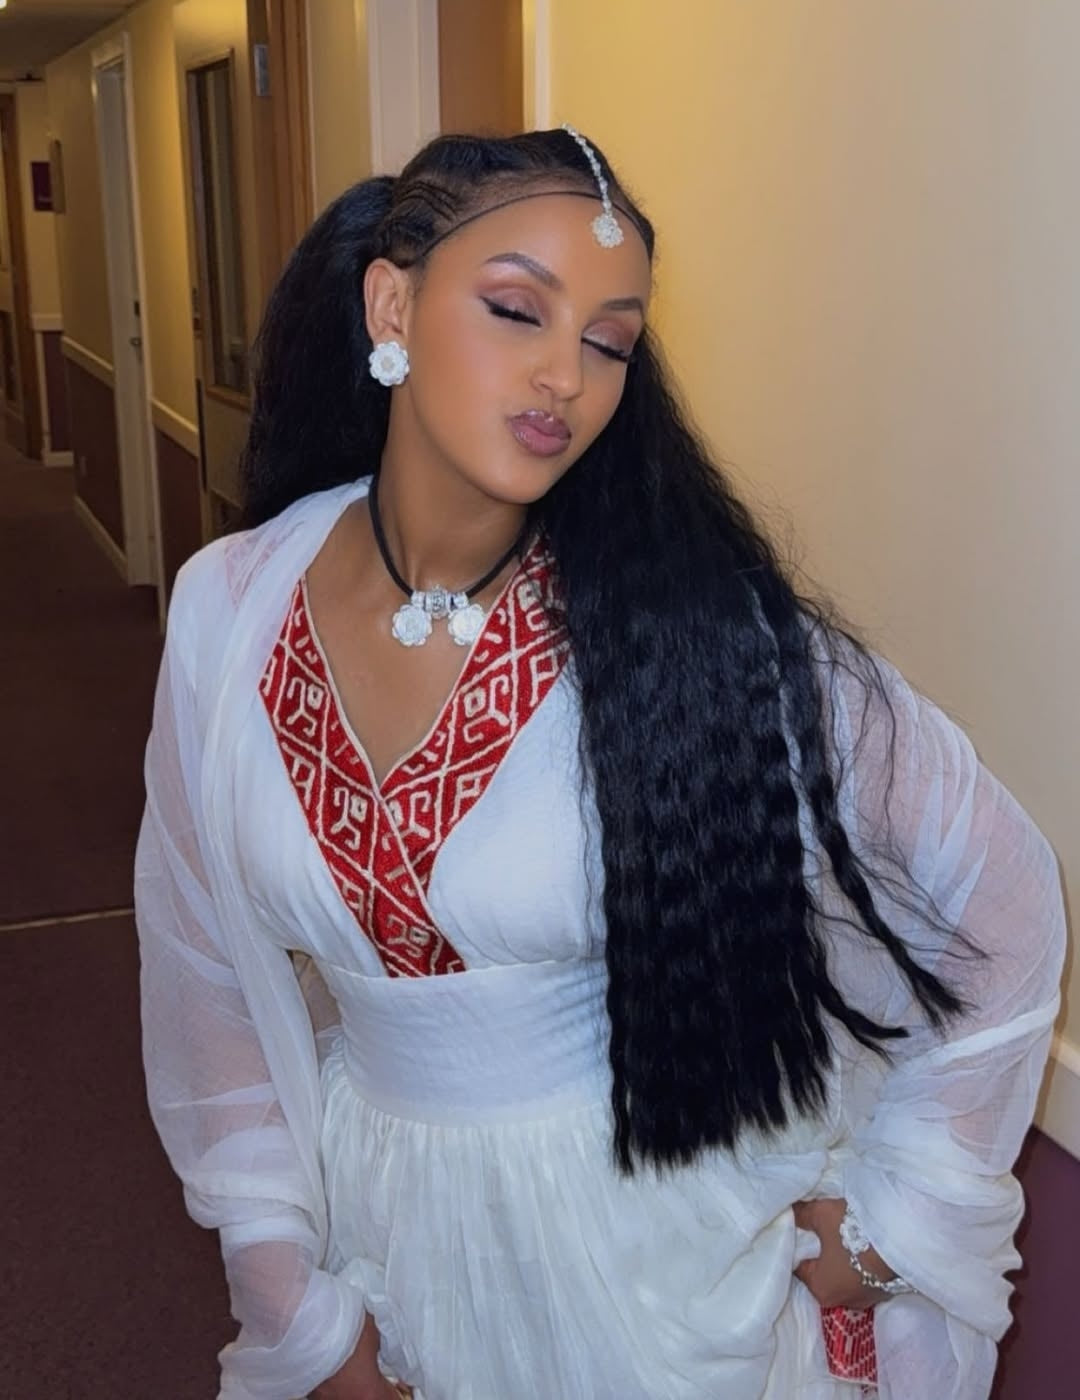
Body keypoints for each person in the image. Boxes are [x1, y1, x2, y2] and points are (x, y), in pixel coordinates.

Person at [134, 126, 1066, 1400]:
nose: (565, 374)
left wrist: (896, 1226)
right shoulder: (228, 611)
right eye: (518, 307)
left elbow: (1007, 898)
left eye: (612, 340)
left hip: (659, 1276)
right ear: (391, 301)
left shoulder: (686, 626)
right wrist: (301, 1311)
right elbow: (211, 990)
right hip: (381, 1235)